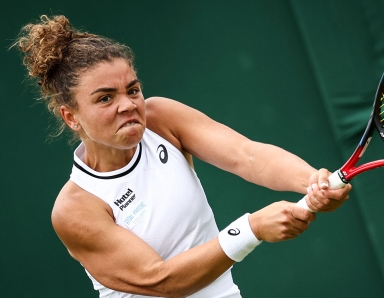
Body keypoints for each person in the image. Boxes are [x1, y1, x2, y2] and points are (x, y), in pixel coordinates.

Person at [15, 15, 352, 298]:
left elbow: (246, 155)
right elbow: (161, 280)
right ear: (71, 116)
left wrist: (313, 183)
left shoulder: (161, 119)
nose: (128, 104)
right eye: (105, 99)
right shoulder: (76, 209)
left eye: (132, 90)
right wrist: (251, 229)